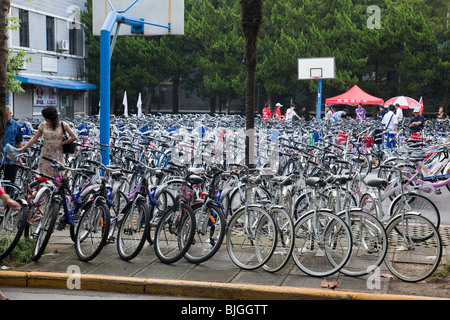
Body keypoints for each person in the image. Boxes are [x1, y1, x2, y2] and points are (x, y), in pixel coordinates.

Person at [18, 106, 77, 177]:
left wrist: (62, 143)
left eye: (46, 117)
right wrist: (23, 148)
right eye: (44, 117)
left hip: (57, 154)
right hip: (45, 154)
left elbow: (74, 137)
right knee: (43, 177)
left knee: (57, 177)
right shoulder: (43, 125)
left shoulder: (63, 125)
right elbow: (34, 138)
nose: (45, 119)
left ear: (52, 116)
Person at [1, 106, 23, 184]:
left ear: (10, 114)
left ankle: (9, 196)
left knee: (10, 182)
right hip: (0, 157)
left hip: (11, 158)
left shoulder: (16, 125)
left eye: (6, 116)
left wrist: (19, 157)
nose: (5, 119)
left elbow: (19, 142)